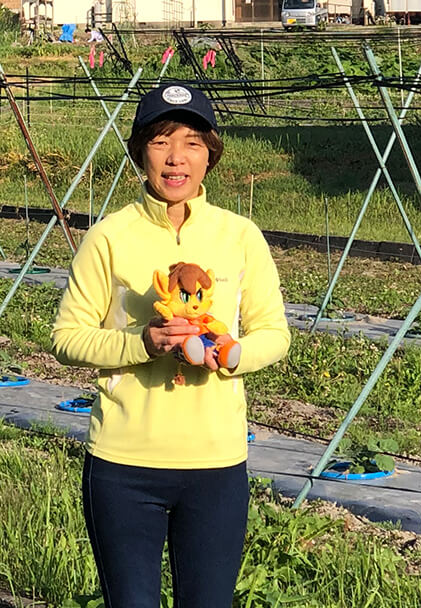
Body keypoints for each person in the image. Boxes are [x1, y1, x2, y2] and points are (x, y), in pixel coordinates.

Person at [52, 81, 290, 608]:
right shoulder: (109, 236)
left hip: (216, 467)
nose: (176, 158)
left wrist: (231, 354)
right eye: (160, 142)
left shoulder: (240, 235)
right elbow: (66, 336)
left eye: (191, 143)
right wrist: (144, 342)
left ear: (210, 155)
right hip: (123, 464)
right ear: (141, 152)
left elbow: (274, 334)